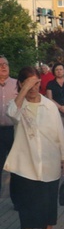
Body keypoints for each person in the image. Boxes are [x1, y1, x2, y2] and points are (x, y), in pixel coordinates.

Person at [5, 67, 64, 229]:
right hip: (24, 163)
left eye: (36, 83)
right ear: (20, 84)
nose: (34, 87)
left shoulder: (49, 105)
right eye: (28, 83)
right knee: (26, 202)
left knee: (48, 200)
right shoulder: (17, 104)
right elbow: (11, 114)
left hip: (49, 159)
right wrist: (24, 91)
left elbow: (60, 132)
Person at [0, 56, 17, 194]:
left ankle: (17, 199)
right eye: (0, 65)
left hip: (14, 131)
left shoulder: (17, 84)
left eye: (5, 64)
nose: (3, 67)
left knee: (15, 167)